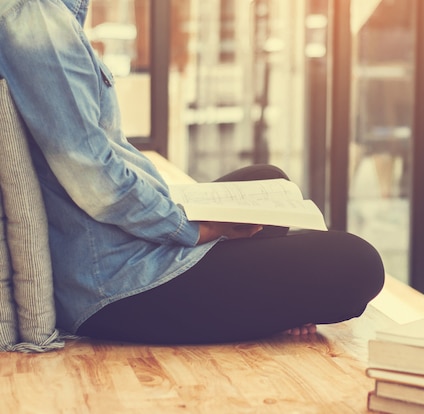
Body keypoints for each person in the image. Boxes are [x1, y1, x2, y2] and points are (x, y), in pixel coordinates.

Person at [0, 0, 385, 344]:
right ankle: (272, 301)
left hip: (120, 246)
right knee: (357, 264)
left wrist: (190, 211)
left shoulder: (53, 15)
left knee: (269, 180)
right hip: (116, 280)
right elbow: (93, 175)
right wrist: (193, 227)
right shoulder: (39, 21)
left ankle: (270, 298)